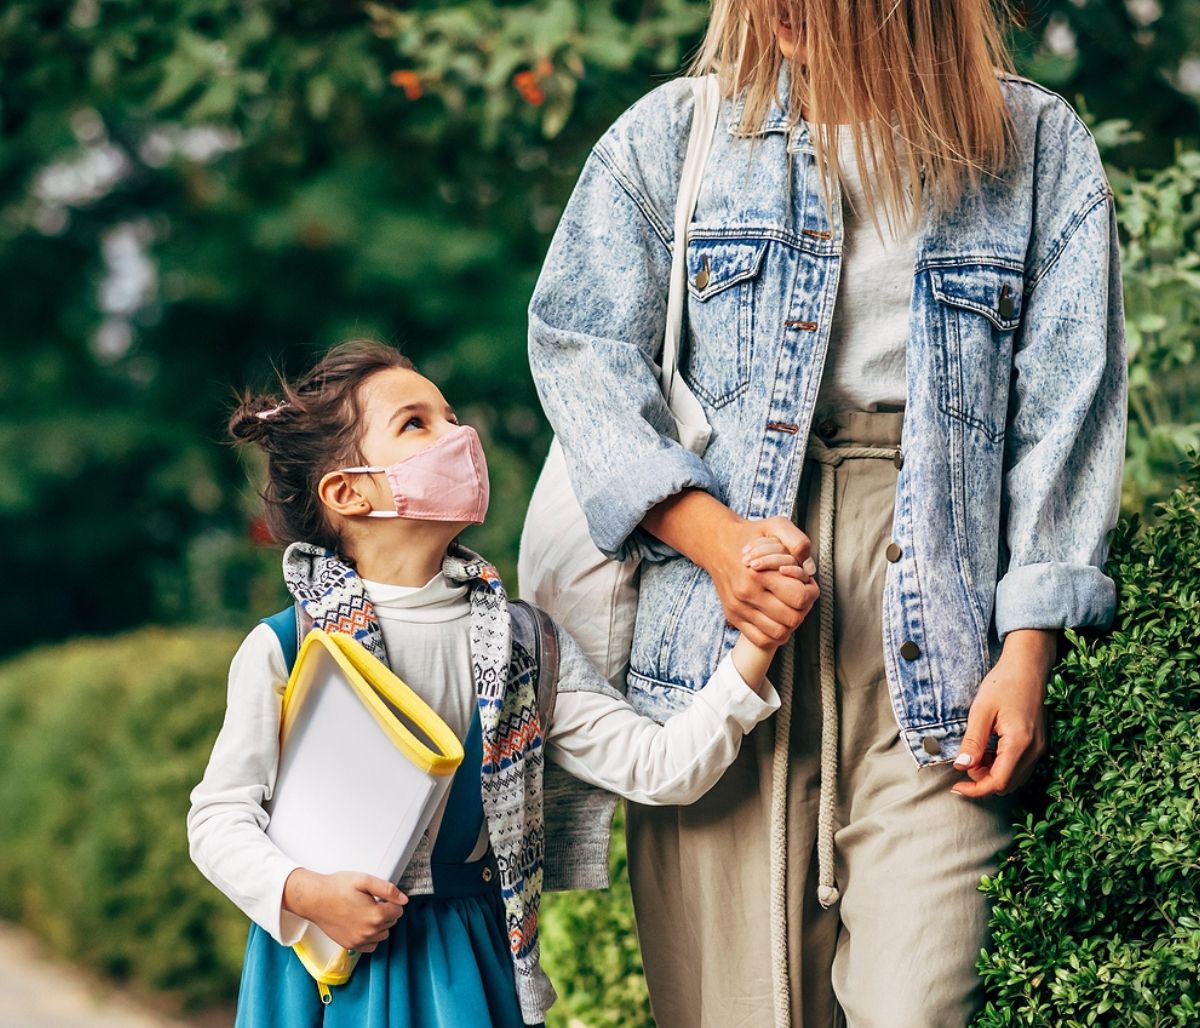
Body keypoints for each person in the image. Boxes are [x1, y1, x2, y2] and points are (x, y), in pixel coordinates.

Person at [526, 1, 1127, 1025]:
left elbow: (1070, 406)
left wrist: (1028, 646)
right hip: (721, 635)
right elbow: (580, 350)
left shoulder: (1036, 146)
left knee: (920, 1001)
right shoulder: (673, 134)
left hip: (940, 642)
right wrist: (714, 541)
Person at [186, 340, 803, 1027]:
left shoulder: (524, 647)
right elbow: (218, 819)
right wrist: (302, 893)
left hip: (468, 962)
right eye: (416, 424)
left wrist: (758, 641)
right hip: (320, 963)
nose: (460, 436)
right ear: (348, 491)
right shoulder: (288, 649)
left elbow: (659, 768)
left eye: (450, 416)